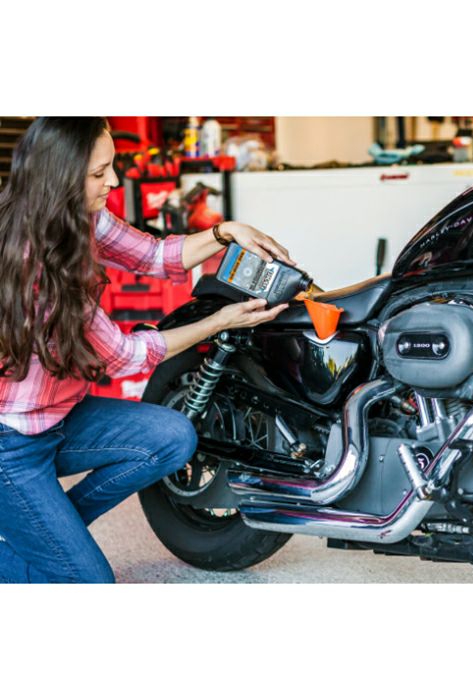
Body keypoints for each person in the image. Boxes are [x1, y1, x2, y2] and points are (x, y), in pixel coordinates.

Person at [0, 117, 293, 583]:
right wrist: (217, 322)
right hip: (11, 445)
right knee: (88, 583)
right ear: (60, 177)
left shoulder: (81, 218)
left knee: (172, 437)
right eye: (99, 173)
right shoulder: (37, 262)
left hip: (58, 418)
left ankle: (45, 530)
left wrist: (225, 232)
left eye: (112, 167)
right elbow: (125, 356)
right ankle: (42, 535)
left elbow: (154, 256)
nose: (114, 181)